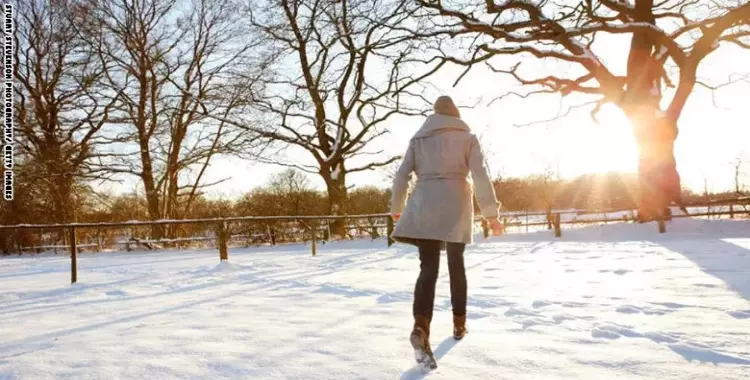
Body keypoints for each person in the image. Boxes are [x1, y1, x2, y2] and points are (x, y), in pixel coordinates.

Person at [390, 95, 503, 367]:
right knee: (456, 265)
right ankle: (459, 325)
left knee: (427, 269)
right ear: (455, 114)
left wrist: (398, 206)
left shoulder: (418, 139)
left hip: (425, 201)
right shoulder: (467, 137)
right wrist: (491, 214)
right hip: (456, 202)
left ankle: (421, 328)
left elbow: (402, 174)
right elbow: (480, 175)